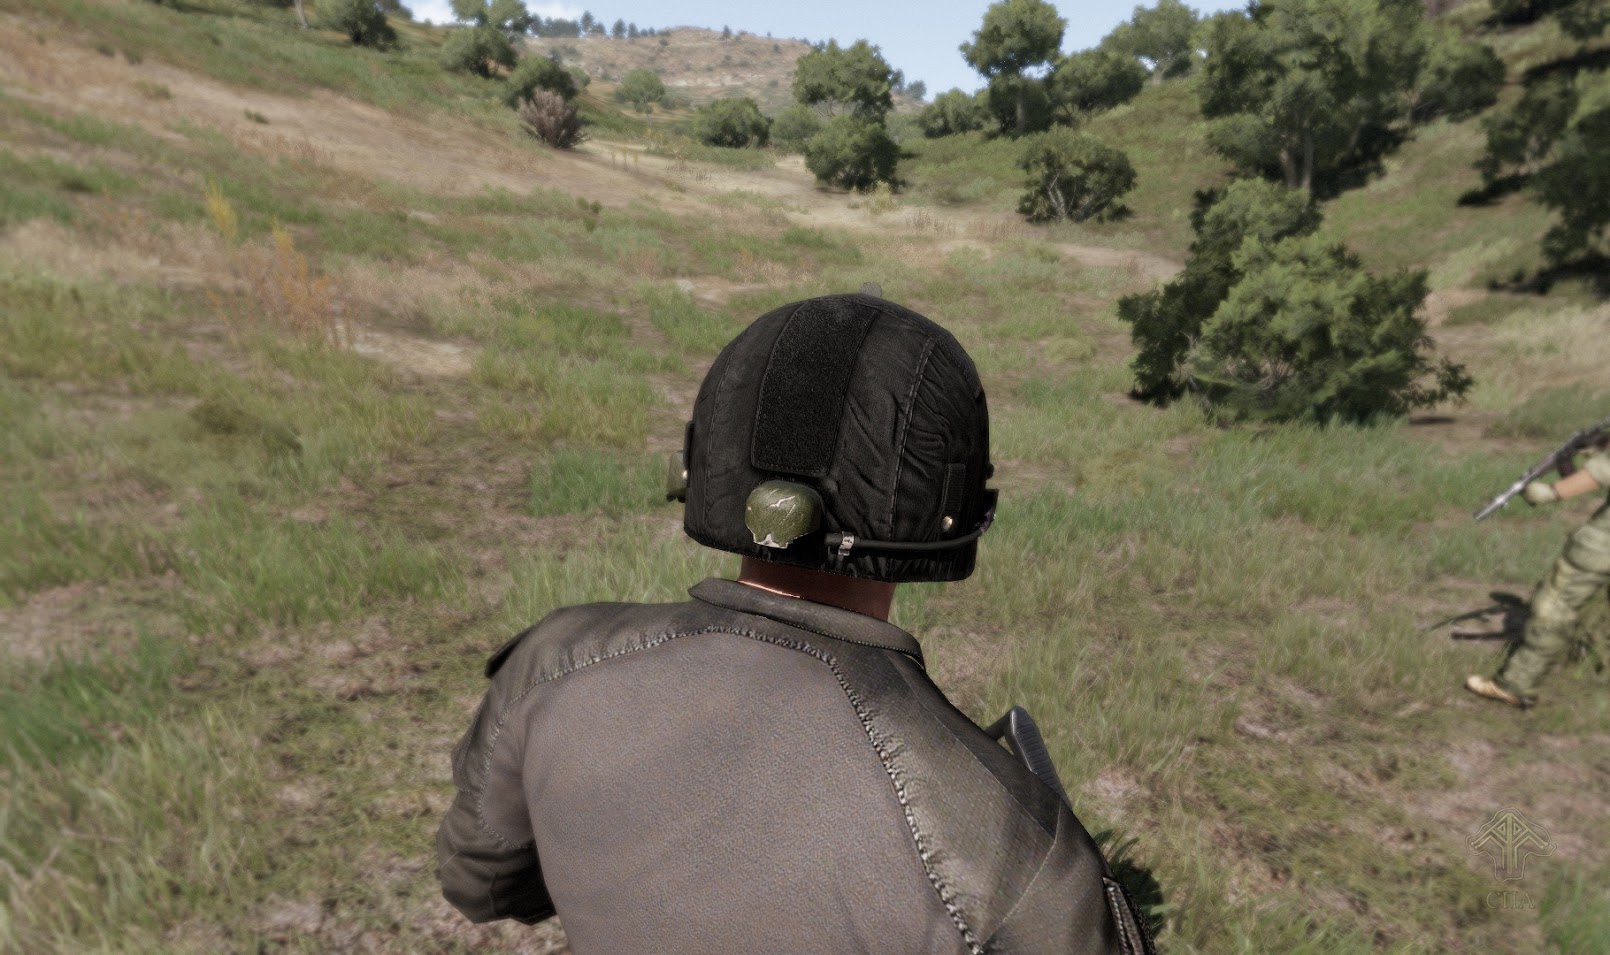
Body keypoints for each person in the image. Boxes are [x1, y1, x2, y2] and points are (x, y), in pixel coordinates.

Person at [435, 292, 1154, 954]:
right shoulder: (1019, 846)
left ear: (706, 463)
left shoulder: (553, 661)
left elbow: (480, 884)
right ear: (955, 504)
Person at [1466, 445, 1610, 708]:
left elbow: (1602, 471)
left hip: (1600, 548)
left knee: (1554, 608)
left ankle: (1515, 684)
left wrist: (1550, 492)